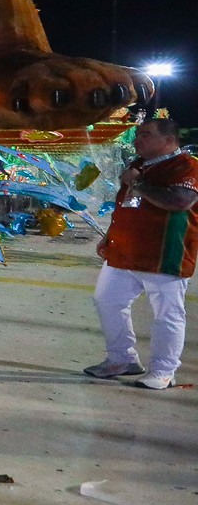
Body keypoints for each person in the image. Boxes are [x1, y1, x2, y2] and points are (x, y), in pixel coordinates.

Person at [86, 113, 196, 390]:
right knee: (107, 300)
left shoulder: (186, 166)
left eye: (145, 135)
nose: (137, 140)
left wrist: (138, 183)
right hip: (124, 250)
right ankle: (121, 359)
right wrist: (111, 235)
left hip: (164, 253)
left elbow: (179, 201)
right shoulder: (138, 165)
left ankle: (164, 371)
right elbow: (126, 203)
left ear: (168, 140)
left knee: (167, 313)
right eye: (137, 135)